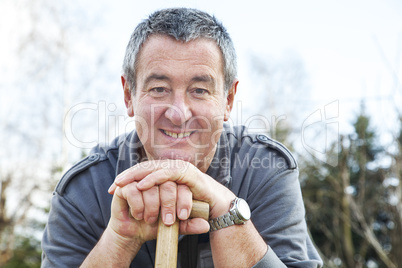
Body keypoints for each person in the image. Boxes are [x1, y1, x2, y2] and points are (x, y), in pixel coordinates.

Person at [41, 8, 323, 267]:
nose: (178, 113)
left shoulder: (266, 170)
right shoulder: (82, 192)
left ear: (228, 99)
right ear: (129, 95)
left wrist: (227, 212)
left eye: (199, 90)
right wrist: (120, 237)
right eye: (159, 88)